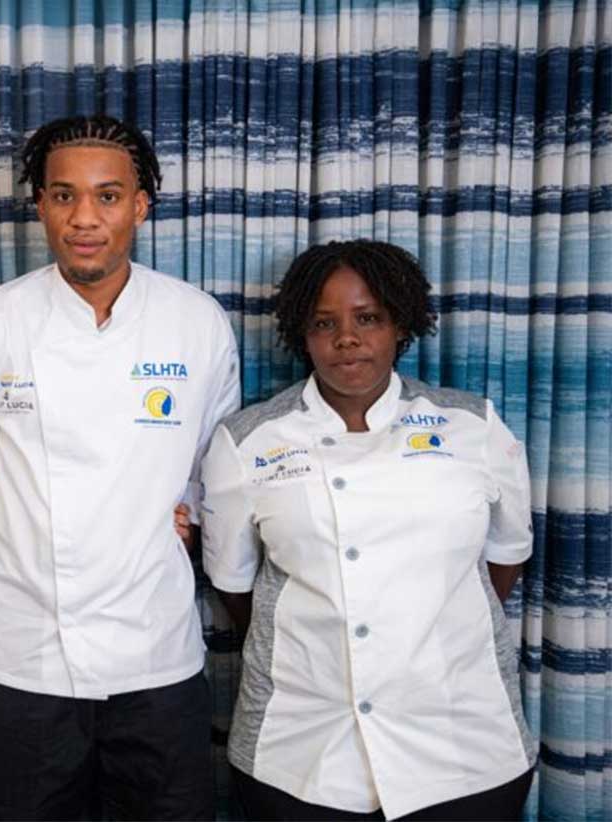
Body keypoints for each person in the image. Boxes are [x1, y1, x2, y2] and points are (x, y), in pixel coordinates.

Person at [0, 114, 241, 820]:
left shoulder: (197, 323)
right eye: (64, 196)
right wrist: (28, 554)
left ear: (140, 204)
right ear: (40, 205)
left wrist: (180, 518)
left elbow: (209, 472)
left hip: (157, 657)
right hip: (24, 659)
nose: (84, 218)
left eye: (107, 195)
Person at [201, 239, 536, 820]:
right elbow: (234, 584)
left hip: (462, 744)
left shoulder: (472, 425)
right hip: (302, 750)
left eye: (368, 318)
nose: (346, 338)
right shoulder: (247, 441)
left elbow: (506, 557)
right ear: (301, 334)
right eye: (324, 323)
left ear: (399, 326)